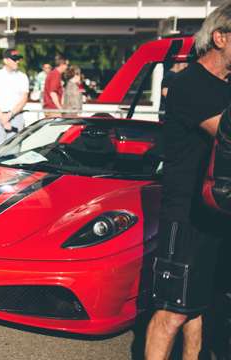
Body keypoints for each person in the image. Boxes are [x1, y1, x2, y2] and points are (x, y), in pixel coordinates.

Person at [145, 4, 231, 359]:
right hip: (187, 214)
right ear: (221, 37)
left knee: (198, 306)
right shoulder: (188, 84)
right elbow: (226, 133)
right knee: (172, 311)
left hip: (218, 212)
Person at [0, 49, 29, 148]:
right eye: (14, 59)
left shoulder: (23, 77)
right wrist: (2, 117)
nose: (17, 61)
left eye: (18, 59)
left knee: (15, 150)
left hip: (16, 116)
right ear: (5, 60)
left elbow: (23, 100)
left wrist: (8, 116)